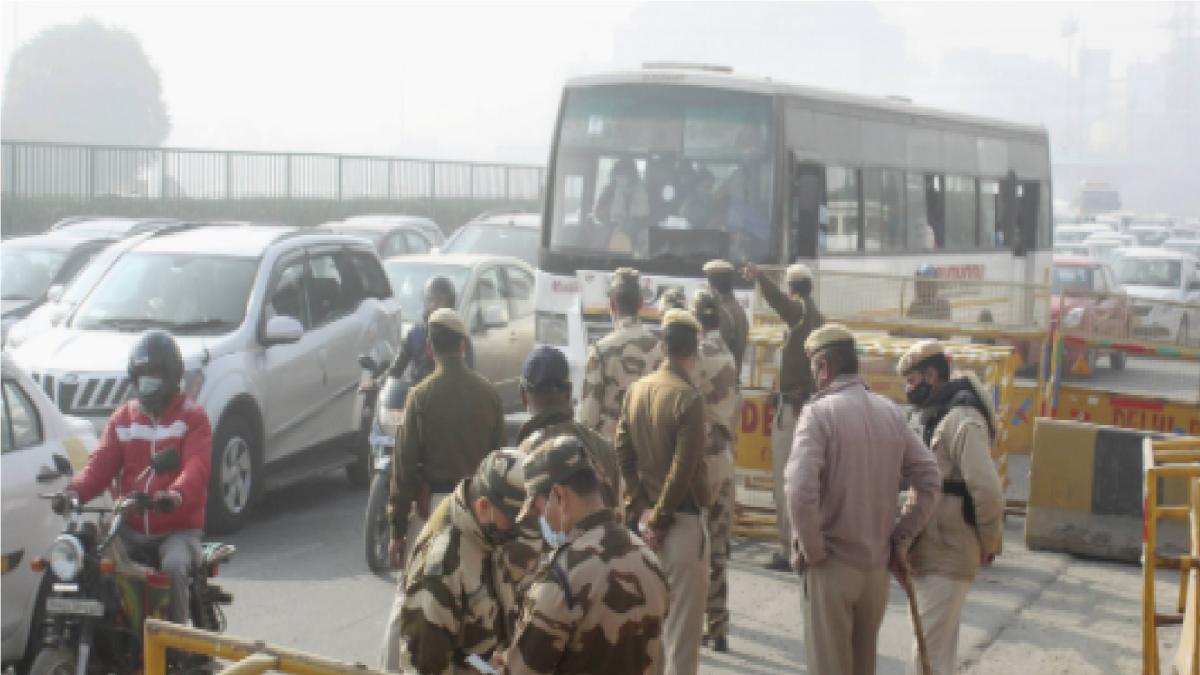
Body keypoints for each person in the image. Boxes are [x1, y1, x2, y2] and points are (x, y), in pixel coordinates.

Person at [786, 324, 942, 675]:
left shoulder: (818, 413)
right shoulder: (890, 412)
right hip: (874, 572)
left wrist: (813, 551)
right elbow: (930, 480)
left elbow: (798, 490)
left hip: (832, 565)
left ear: (824, 367)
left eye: (814, 370)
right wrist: (900, 536)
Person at [55, 330, 212, 625]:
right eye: (142, 375)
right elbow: (98, 467)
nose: (148, 381)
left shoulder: (192, 418)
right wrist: (73, 493)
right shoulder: (123, 419)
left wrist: (174, 495)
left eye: (154, 374)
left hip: (176, 529)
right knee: (90, 562)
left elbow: (197, 466)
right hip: (128, 526)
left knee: (175, 567)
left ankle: (176, 644)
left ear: (171, 376)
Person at [381, 307, 505, 671]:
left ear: (430, 349)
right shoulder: (488, 395)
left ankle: (391, 667)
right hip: (480, 508)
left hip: (432, 507)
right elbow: (499, 461)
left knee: (412, 593)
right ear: (463, 346)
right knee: (480, 593)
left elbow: (402, 469)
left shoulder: (420, 396)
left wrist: (396, 529)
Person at [497, 435, 669, 674]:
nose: (543, 519)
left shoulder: (562, 577)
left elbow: (523, 670)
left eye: (539, 508)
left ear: (559, 496)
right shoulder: (648, 559)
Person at [898, 341, 1004, 675]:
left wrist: (989, 542)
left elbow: (987, 489)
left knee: (927, 658)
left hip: (947, 551)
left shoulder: (962, 418)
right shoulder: (938, 414)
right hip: (933, 551)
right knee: (937, 656)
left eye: (913, 380)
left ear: (932, 374)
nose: (908, 389)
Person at [615, 308, 710, 675]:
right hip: (680, 526)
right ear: (694, 351)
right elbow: (683, 468)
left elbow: (621, 450)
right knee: (682, 645)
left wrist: (639, 508)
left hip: (640, 530)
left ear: (661, 347)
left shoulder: (637, 390)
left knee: (645, 641)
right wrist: (659, 519)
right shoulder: (689, 397)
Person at [397, 449, 528, 674]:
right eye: (514, 520)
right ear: (483, 507)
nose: (520, 528)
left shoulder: (487, 535)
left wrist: (487, 662)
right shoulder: (440, 570)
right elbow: (426, 667)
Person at [742, 262, 824, 571]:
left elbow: (779, 304)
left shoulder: (801, 313)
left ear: (792, 288)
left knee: (786, 483)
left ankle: (790, 547)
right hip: (801, 404)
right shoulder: (814, 316)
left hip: (794, 411)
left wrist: (761, 277)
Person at [515, 345, 622, 515]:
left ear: (522, 395)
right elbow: (618, 515)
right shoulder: (602, 446)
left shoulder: (524, 455)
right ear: (569, 391)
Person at [691, 290, 740, 653]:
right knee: (719, 546)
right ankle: (718, 625)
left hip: (702, 458)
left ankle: (689, 625)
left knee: (692, 545)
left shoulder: (699, 357)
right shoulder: (726, 353)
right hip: (725, 455)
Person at [579, 268, 662, 442]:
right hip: (649, 448)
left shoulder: (601, 351)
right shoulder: (660, 349)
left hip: (611, 450)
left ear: (612, 305)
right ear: (640, 304)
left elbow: (588, 416)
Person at [390, 276, 475, 385]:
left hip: (448, 395)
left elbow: (468, 372)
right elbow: (396, 368)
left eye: (439, 300)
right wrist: (379, 383)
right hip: (418, 395)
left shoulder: (458, 335)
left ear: (449, 302)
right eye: (430, 299)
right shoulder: (415, 333)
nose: (434, 305)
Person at [703, 259, 750, 377]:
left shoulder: (721, 312)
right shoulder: (738, 308)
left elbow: (714, 351)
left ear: (713, 286)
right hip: (732, 380)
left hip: (719, 384)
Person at [593, 158, 649, 253]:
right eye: (618, 175)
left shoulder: (644, 192)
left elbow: (648, 219)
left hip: (637, 237)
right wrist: (613, 221)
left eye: (623, 175)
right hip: (612, 233)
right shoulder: (609, 191)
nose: (619, 178)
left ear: (631, 175)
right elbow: (598, 213)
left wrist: (633, 225)